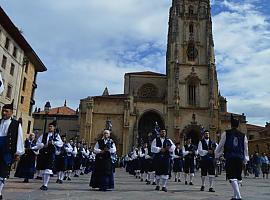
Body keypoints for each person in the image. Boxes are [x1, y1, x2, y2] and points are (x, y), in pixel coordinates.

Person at [215, 115, 249, 200]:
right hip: (240, 157)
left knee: (232, 176)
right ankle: (235, 196)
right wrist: (245, 159)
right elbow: (246, 149)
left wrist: (217, 154)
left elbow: (220, 145)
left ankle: (239, 196)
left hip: (230, 157)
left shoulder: (226, 133)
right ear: (238, 125)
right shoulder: (243, 135)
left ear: (231, 124)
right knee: (238, 177)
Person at [0, 102, 24, 200]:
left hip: (7, 151)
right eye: (3, 111)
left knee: (3, 172)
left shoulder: (16, 124)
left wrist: (18, 152)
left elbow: (20, 138)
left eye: (6, 111)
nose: (4, 113)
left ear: (11, 112)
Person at [36, 121, 63, 190]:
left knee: (48, 169)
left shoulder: (56, 135)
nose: (49, 128)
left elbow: (60, 143)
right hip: (44, 153)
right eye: (49, 126)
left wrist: (54, 142)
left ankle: (45, 184)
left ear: (54, 128)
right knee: (44, 169)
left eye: (51, 126)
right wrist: (42, 145)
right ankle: (44, 183)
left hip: (51, 153)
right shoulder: (44, 135)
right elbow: (38, 143)